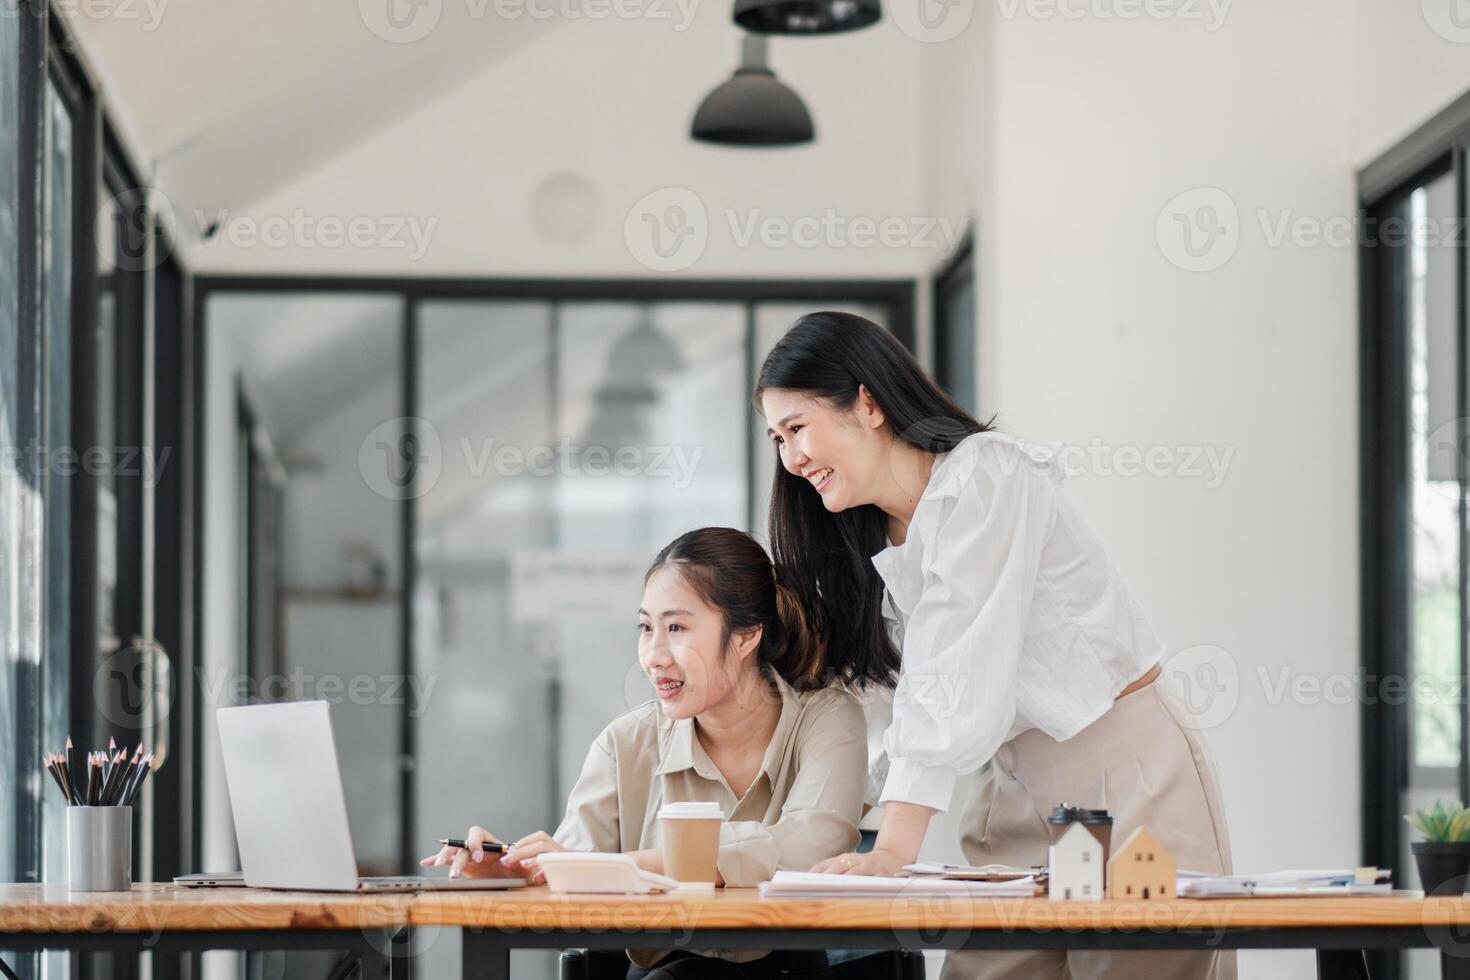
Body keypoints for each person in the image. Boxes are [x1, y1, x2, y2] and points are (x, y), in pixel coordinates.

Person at [755, 312, 1235, 980]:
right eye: (777, 438)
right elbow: (882, 711)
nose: (791, 458)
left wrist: (894, 846)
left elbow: (951, 674)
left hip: (1128, 777)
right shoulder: (868, 543)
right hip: (1011, 788)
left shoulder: (985, 478)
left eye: (798, 428)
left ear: (866, 402)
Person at [423, 526, 867, 980]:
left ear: (745, 637)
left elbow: (812, 845)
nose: (652, 655)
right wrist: (511, 870)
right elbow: (571, 872)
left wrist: (627, 866)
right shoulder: (624, 743)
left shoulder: (827, 718)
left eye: (676, 627)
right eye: (645, 628)